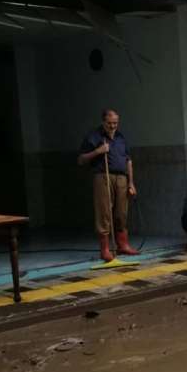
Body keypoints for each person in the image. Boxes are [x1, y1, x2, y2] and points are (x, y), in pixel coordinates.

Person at [78, 108, 139, 262]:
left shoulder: (121, 137)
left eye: (116, 123)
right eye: (110, 123)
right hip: (103, 176)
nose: (113, 126)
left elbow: (128, 161)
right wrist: (98, 151)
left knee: (122, 213)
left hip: (122, 178)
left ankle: (123, 245)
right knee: (104, 213)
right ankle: (105, 249)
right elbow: (81, 160)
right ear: (103, 122)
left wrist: (131, 183)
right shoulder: (94, 136)